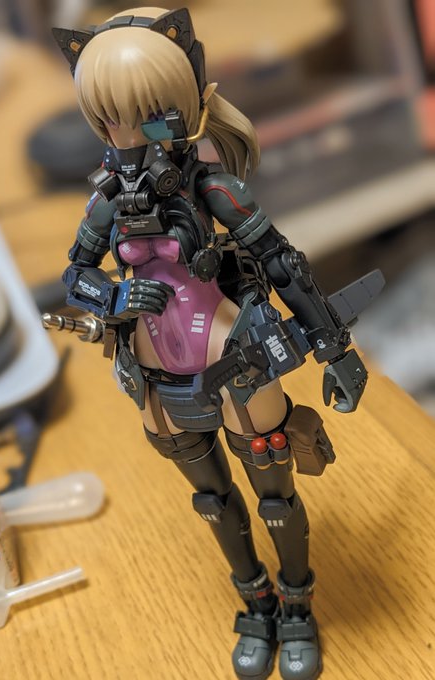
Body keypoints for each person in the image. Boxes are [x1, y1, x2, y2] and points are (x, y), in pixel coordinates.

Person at [53, 8, 368, 679]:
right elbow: (74, 275)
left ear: (188, 106)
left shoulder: (213, 187)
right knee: (211, 500)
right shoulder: (107, 203)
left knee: (274, 494)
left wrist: (335, 349)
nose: (132, 136)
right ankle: (255, 601)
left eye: (151, 116)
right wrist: (113, 298)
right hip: (154, 368)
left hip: (235, 357)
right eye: (112, 119)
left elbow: (282, 263)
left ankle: (297, 601)